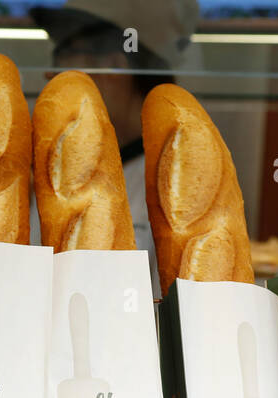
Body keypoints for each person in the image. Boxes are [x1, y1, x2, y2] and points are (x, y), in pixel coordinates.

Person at [30, 0, 199, 299]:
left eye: (63, 55)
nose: (49, 76)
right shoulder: (50, 169)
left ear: (114, 66)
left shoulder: (176, 180)